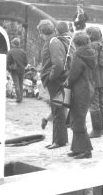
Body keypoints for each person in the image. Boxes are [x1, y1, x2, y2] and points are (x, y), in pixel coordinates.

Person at [39, 20, 70, 149]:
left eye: (40, 32)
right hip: (56, 81)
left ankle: (59, 141)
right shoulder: (53, 41)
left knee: (58, 111)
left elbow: (57, 64)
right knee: (57, 110)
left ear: (42, 32)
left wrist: (50, 78)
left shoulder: (53, 42)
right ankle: (58, 140)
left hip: (55, 82)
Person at [66, 31, 97, 159]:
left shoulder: (78, 54)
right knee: (78, 117)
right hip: (88, 87)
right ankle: (76, 148)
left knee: (78, 119)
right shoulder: (91, 53)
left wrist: (67, 81)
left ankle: (86, 150)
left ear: (76, 43)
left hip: (80, 89)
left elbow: (73, 74)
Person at [85, 26, 103, 138]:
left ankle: (96, 130)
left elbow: (91, 64)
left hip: (93, 79)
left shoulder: (91, 47)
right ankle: (102, 129)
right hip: (102, 80)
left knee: (94, 105)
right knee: (101, 103)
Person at [6, 38, 28, 103]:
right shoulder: (23, 52)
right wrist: (23, 66)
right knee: (21, 84)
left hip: (14, 70)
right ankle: (21, 97)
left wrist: (9, 69)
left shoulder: (10, 52)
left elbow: (7, 62)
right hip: (22, 70)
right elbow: (26, 62)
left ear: (13, 44)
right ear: (19, 44)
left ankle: (19, 98)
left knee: (16, 84)